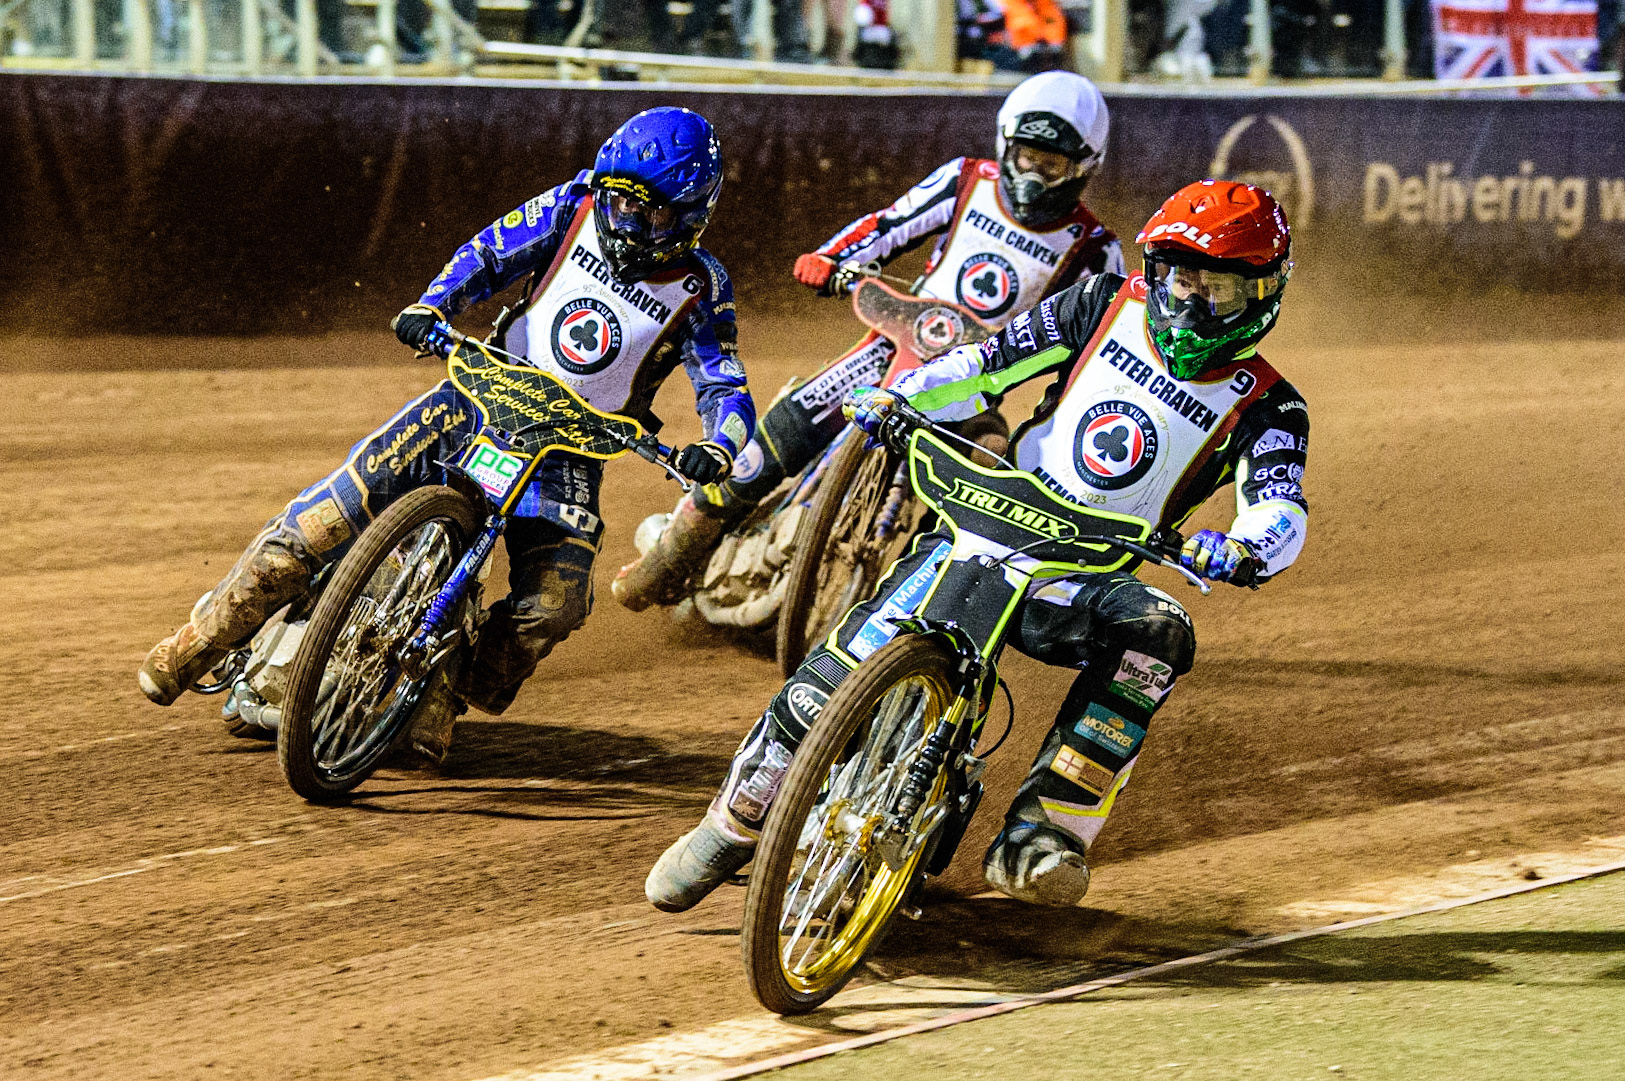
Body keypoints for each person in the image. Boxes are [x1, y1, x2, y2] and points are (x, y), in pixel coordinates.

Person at [646, 179, 1309, 912]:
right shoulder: (1098, 305)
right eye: (1178, 279)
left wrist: (1245, 548)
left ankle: (1044, 828)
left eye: (1214, 289)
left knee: (1159, 630)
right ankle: (732, 821)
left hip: (1080, 579)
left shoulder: (1270, 404)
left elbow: (1278, 501)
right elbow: (986, 362)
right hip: (986, 520)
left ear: (1262, 293)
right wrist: (904, 394)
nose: (1187, 303)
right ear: (1153, 270)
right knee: (832, 674)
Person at [138, 107, 756, 759]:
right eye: (620, 203)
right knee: (317, 525)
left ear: (692, 215)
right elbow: (488, 253)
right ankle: (202, 638)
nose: (627, 222)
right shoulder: (573, 205)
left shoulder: (701, 286)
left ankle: (450, 684)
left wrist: (717, 445)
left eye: (650, 213)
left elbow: (725, 383)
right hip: (475, 397)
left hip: (569, 450)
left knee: (556, 603)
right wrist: (434, 304)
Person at [613, 71, 1125, 613]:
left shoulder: (1096, 250)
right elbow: (888, 225)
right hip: (890, 347)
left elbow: (1090, 357)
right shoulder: (966, 181)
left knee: (990, 479)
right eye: (1027, 156)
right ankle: (666, 561)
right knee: (775, 435)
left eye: (1053, 165)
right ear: (1005, 142)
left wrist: (1057, 414)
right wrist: (833, 259)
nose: (1035, 177)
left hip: (974, 390)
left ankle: (925, 609)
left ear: (1084, 167)